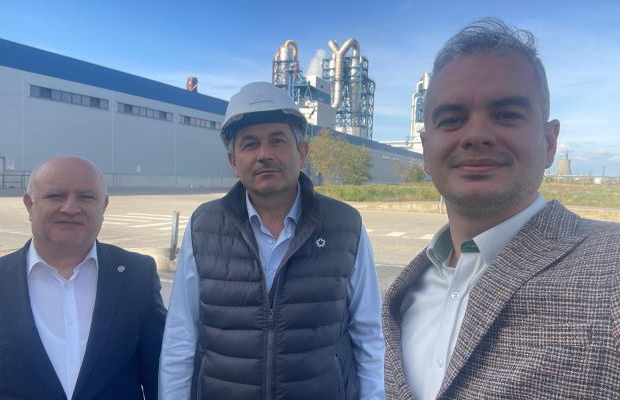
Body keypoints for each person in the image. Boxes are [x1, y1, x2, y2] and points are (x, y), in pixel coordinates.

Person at [383, 18, 620, 399]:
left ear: (549, 142)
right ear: (426, 151)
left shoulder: (611, 267)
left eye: (507, 115)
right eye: (452, 119)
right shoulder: (405, 293)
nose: (476, 135)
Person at [159, 82, 384, 399]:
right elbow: (181, 336)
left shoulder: (345, 226)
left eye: (277, 140)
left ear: (302, 152)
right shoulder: (204, 227)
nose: (264, 154)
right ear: (233, 161)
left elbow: (369, 335)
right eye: (249, 144)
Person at [0, 156, 167, 400]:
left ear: (104, 206)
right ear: (29, 205)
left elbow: (160, 379)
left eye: (86, 197)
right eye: (55, 196)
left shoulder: (137, 276)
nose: (70, 208)